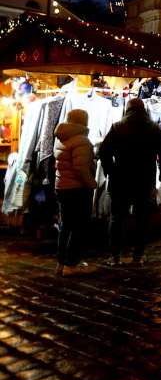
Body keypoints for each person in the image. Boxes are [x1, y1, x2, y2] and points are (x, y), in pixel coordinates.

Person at [99, 98, 161, 266]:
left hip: (120, 177)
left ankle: (115, 256)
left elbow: (104, 151)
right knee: (142, 218)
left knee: (117, 218)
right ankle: (138, 255)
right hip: (144, 179)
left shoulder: (118, 127)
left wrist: (110, 169)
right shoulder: (154, 128)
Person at [54, 109, 99, 276]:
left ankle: (61, 262)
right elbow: (80, 168)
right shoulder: (82, 140)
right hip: (77, 188)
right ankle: (72, 264)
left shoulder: (62, 138)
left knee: (66, 226)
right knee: (78, 226)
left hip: (62, 186)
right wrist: (92, 184)